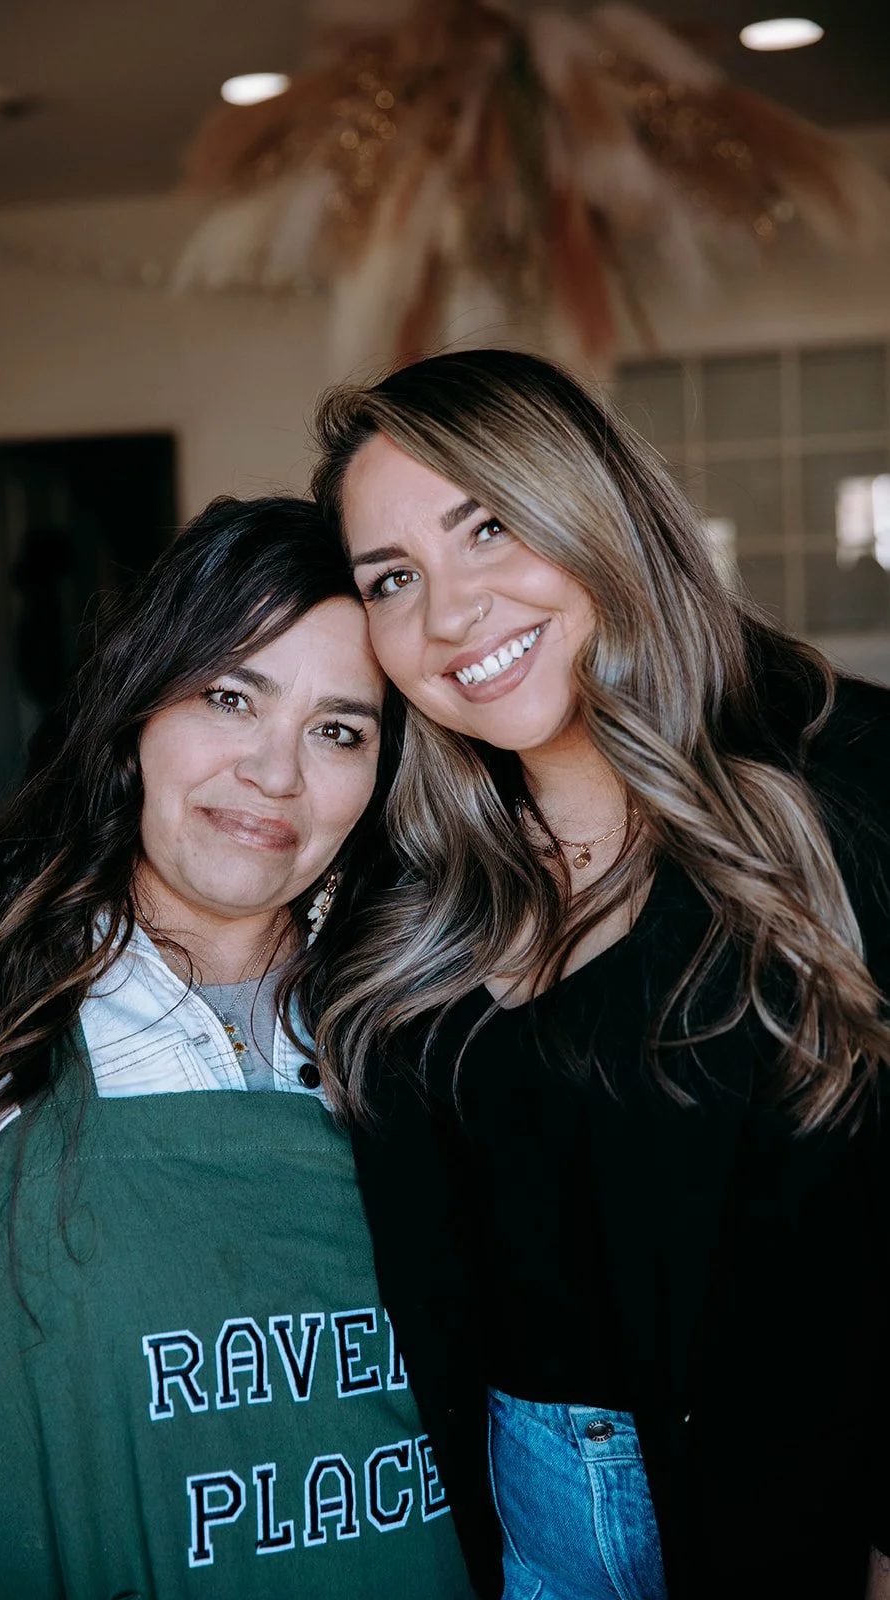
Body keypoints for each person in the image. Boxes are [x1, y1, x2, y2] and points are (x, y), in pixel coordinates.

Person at [308, 350, 890, 1600]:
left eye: (490, 525)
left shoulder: (847, 787)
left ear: (601, 510)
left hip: (791, 1518)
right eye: (393, 578)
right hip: (512, 1526)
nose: (450, 614)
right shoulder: (401, 867)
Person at [0, 496, 474, 1599]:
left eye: (338, 730)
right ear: (137, 704)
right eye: (230, 697)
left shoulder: (423, 1003)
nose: (275, 773)